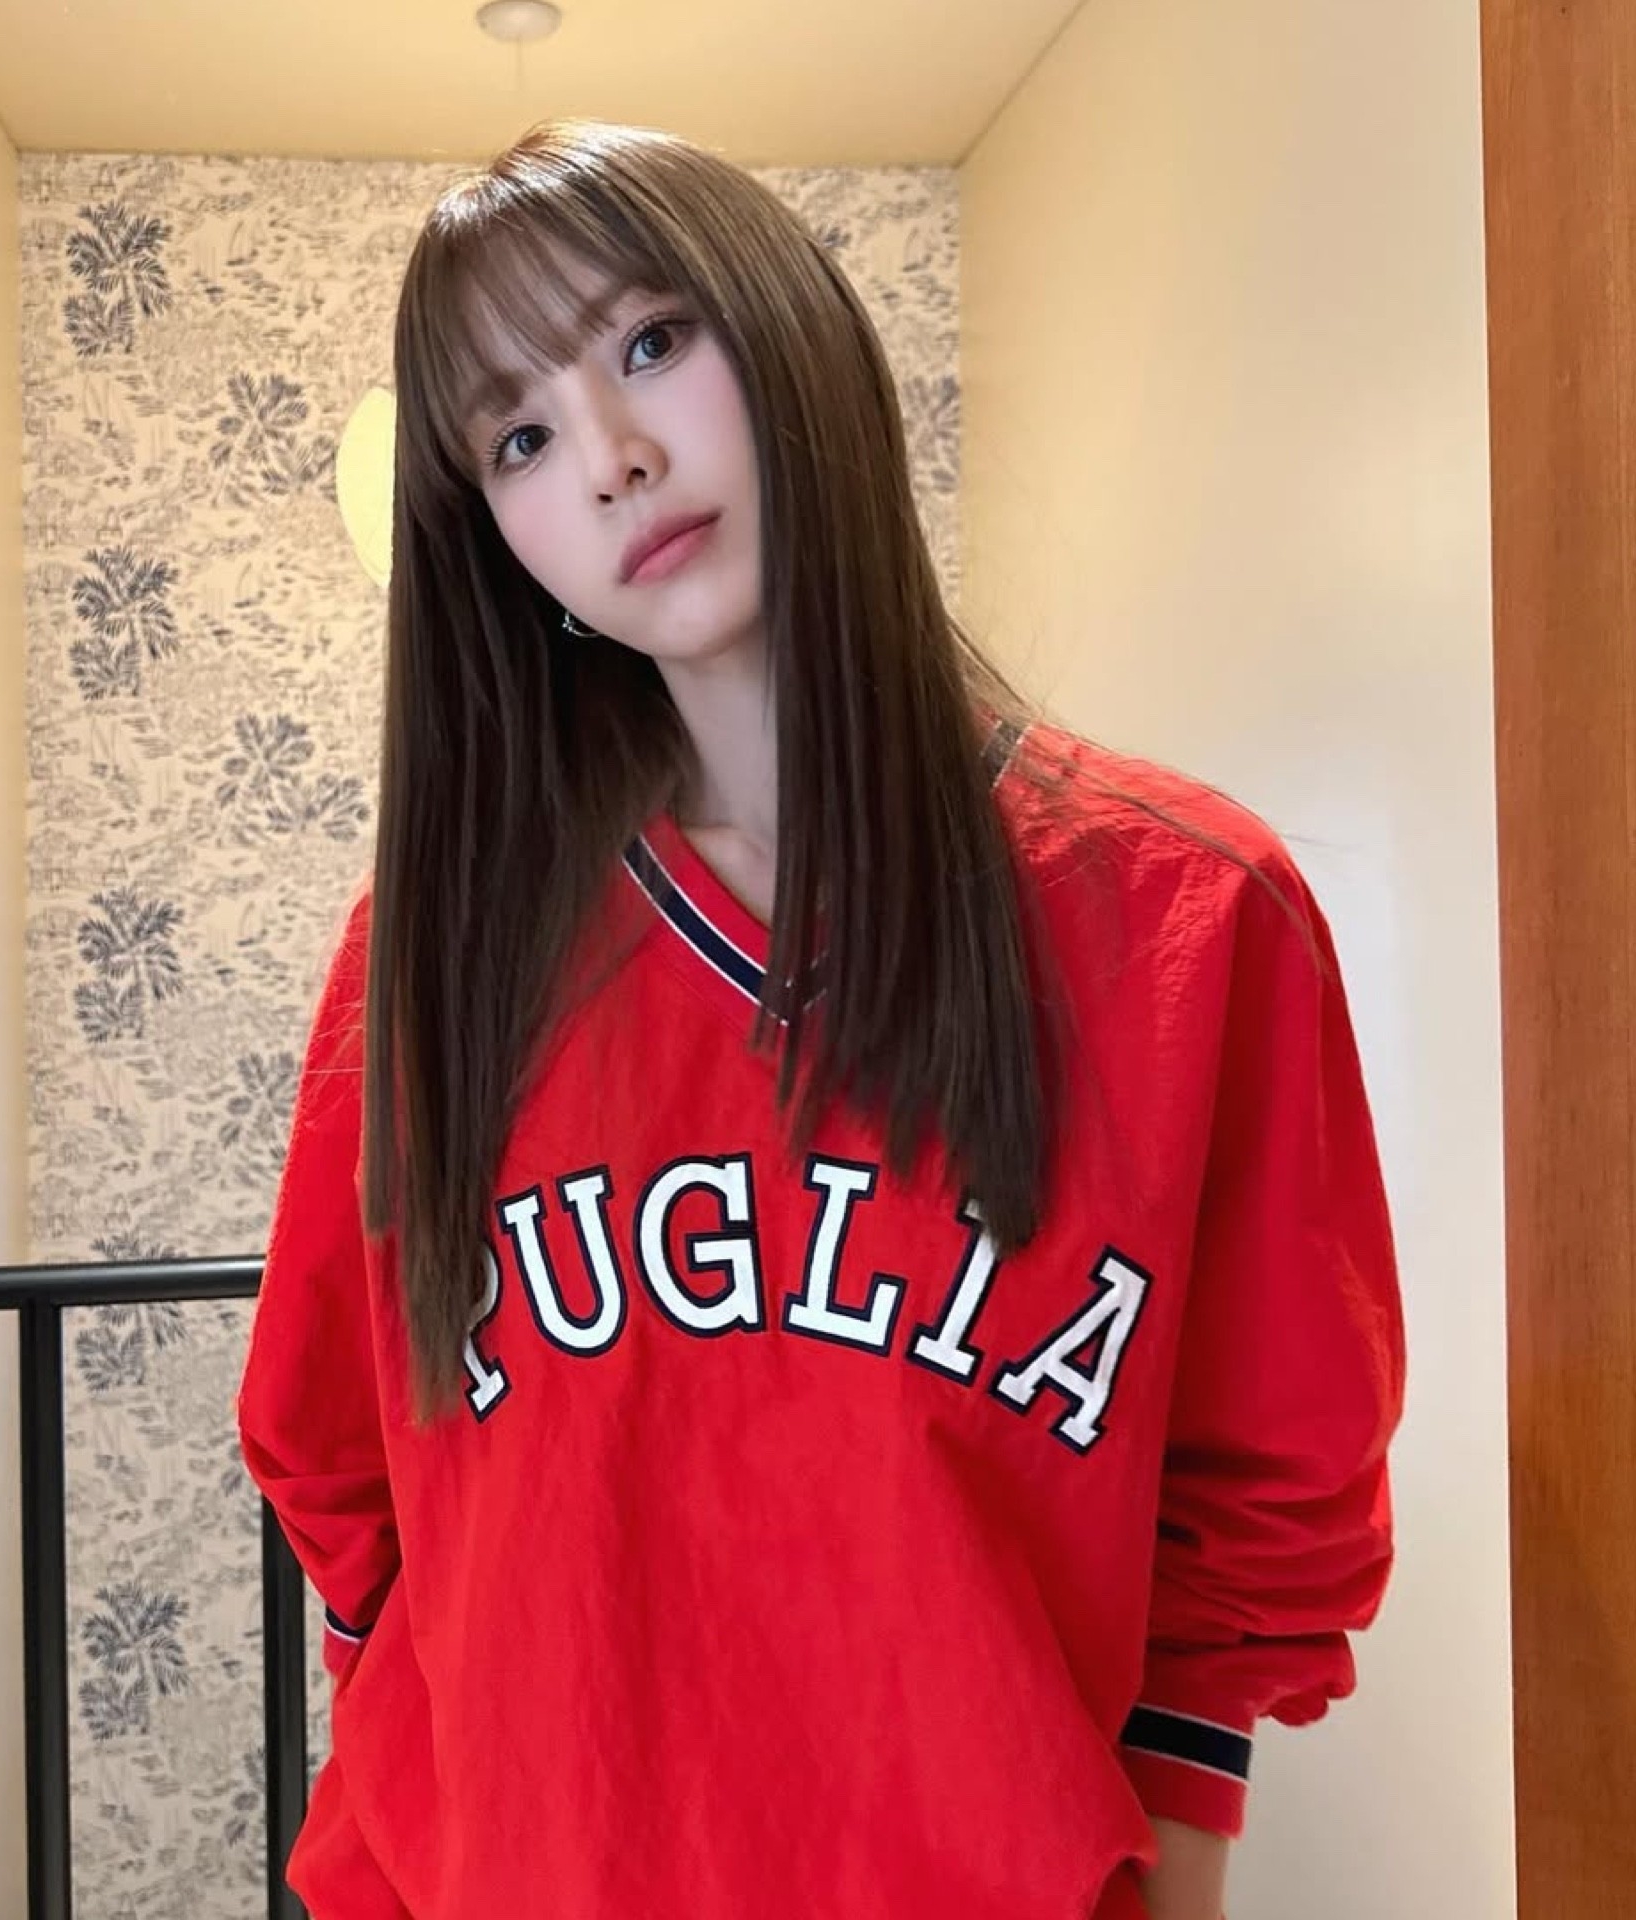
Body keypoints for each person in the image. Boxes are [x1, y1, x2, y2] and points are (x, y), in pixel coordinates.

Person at [236, 118, 1404, 1920]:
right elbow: (337, 1465)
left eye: (650, 341)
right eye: (518, 437)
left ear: (793, 331)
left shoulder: (1191, 918)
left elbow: (1260, 1525)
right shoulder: (436, 950)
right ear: (490, 535)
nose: (612, 459)